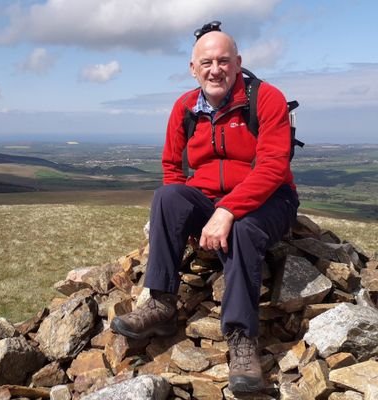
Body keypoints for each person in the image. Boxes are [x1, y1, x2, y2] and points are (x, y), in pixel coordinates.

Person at [111, 21, 299, 395]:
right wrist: (187, 220)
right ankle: (163, 305)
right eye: (207, 62)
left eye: (224, 61)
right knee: (167, 197)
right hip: (209, 198)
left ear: (238, 62)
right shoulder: (184, 107)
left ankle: (242, 339)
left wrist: (227, 212)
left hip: (270, 197)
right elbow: (171, 168)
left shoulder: (266, 98)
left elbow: (274, 166)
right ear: (193, 68)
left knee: (244, 230)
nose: (216, 69)